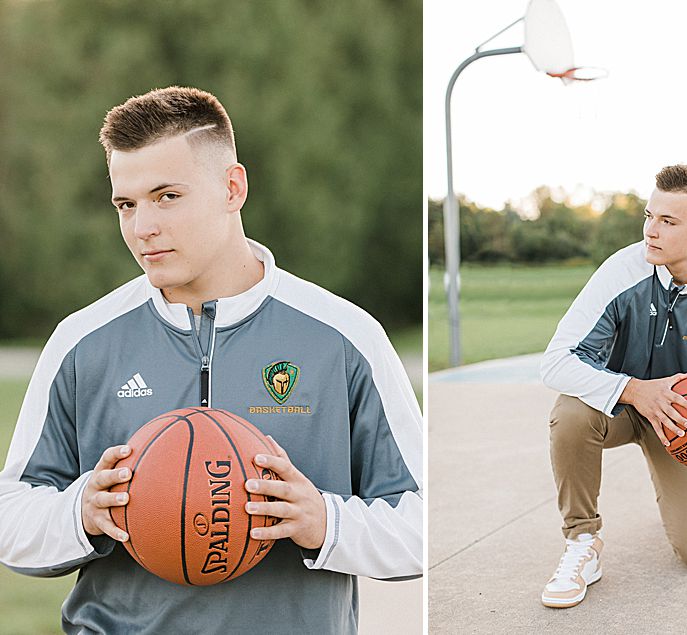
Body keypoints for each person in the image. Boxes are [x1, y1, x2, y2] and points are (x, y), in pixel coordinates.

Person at [0, 87, 422, 633]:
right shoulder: (82, 340)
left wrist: (326, 521)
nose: (141, 227)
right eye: (126, 204)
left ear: (232, 187)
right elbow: (11, 517)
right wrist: (80, 511)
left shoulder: (344, 336)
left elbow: (421, 523)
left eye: (167, 196)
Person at [537, 165, 687, 608]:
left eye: (667, 221)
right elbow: (555, 362)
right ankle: (583, 540)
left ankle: (677, 501)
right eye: (648, 215)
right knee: (569, 413)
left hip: (683, 424)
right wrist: (637, 391)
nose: (650, 231)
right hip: (617, 408)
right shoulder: (621, 273)